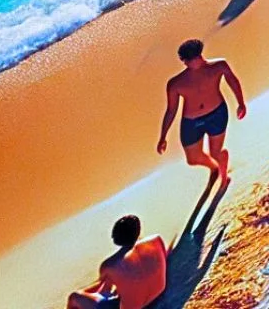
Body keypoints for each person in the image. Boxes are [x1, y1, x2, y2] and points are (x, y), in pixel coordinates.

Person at [157, 38, 246, 186]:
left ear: (198, 56)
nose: (186, 64)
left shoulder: (219, 66)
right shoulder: (176, 83)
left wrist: (241, 103)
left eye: (188, 61)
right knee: (193, 159)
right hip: (191, 122)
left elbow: (233, 81)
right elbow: (171, 110)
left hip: (217, 114)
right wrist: (163, 136)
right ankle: (214, 167)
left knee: (215, 152)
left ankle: (224, 176)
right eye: (184, 61)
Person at [66, 215, 167, 309]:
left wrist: (83, 291)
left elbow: (104, 289)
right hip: (157, 294)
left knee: (74, 297)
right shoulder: (156, 239)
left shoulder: (111, 265)